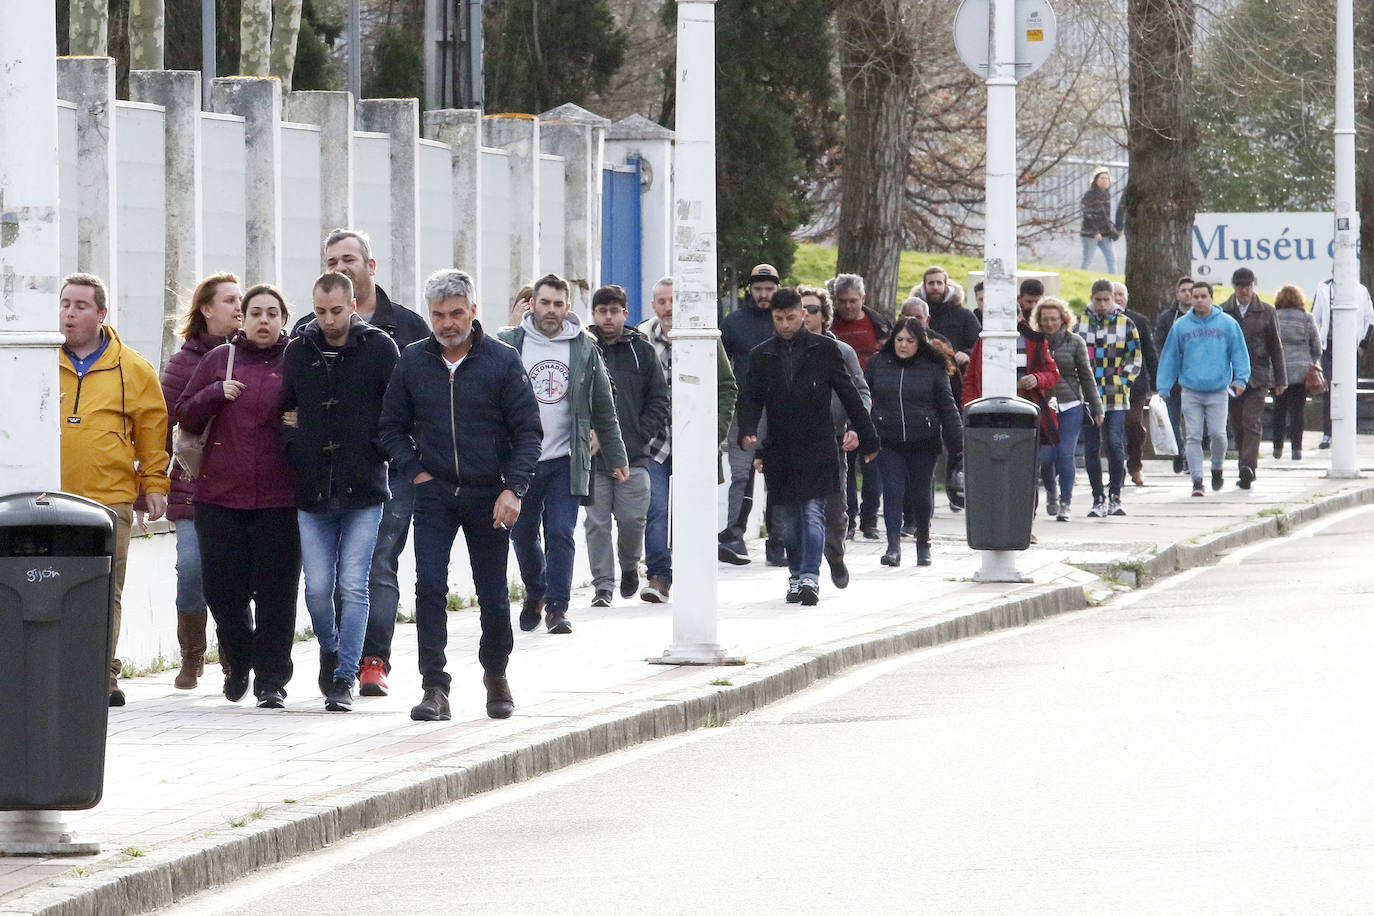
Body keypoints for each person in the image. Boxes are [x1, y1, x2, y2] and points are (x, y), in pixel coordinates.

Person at [379, 269, 543, 721]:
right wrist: (415, 472)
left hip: (489, 493)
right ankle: (434, 687)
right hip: (434, 493)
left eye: (455, 313)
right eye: (438, 315)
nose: (447, 323)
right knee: (429, 586)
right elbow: (391, 427)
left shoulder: (502, 360)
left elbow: (528, 431)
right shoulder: (413, 360)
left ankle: (496, 674)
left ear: (473, 310)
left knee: (493, 592)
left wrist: (514, 488)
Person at [318, 228, 431, 697]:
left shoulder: (406, 327)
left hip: (393, 466)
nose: (340, 267)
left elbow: (431, 393)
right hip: (329, 470)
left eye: (349, 259)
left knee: (379, 562)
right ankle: (338, 658)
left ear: (370, 266)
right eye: (332, 261)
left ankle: (373, 662)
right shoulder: (311, 329)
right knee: (332, 571)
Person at [281, 271, 399, 712]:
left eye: (336, 311)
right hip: (312, 486)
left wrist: (377, 448)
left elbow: (396, 410)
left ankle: (345, 675)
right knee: (316, 588)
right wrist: (296, 444)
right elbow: (284, 408)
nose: (328, 320)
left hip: (363, 485)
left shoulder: (379, 348)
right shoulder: (298, 349)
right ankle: (331, 649)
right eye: (319, 311)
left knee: (353, 583)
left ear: (352, 306)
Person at [178, 284, 299, 708]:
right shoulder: (219, 359)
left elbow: (324, 411)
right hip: (219, 497)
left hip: (281, 499)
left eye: (272, 313)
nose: (264, 320)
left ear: (284, 319)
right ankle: (240, 658)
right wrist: (215, 393)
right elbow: (185, 415)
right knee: (222, 591)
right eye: (255, 313)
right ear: (242, 319)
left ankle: (271, 679)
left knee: (277, 594)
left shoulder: (297, 360)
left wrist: (303, 417)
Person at [58, 273, 171, 707]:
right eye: (65, 304)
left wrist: (155, 486)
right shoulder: (39, 360)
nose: (69, 313)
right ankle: (55, 671)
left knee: (105, 591)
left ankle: (102, 675)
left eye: (80, 305)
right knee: (53, 587)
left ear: (101, 314)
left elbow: (152, 434)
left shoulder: (134, 369)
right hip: (50, 499)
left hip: (109, 499)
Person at [498, 273, 628, 635]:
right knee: (523, 534)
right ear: (533, 304)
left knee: (560, 532)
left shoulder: (584, 348)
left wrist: (616, 455)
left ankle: (557, 607)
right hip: (521, 461)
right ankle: (535, 592)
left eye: (558, 304)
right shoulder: (510, 343)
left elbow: (603, 405)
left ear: (567, 307)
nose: (551, 310)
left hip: (566, 459)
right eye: (545, 303)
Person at [737, 288, 878, 605]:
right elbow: (751, 398)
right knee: (787, 520)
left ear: (802, 315)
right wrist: (748, 432)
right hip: (780, 448)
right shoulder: (762, 355)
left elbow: (850, 392)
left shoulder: (825, 350)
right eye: (778, 319)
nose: (785, 325)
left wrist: (866, 434)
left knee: (814, 512)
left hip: (819, 445)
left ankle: (810, 576)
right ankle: (796, 576)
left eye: (790, 317)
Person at [161, 272, 242, 690]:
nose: (239, 308)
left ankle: (233, 656)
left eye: (241, 300)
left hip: (240, 487)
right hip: (191, 485)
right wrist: (150, 487)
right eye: (229, 300)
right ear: (206, 309)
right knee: (191, 567)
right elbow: (164, 425)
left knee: (233, 574)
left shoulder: (253, 356)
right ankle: (192, 655)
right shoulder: (184, 363)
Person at [637, 278, 738, 603]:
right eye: (662, 301)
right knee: (655, 509)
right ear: (653, 305)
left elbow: (727, 387)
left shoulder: (704, 337)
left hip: (694, 441)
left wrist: (713, 433)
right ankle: (659, 577)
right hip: (653, 443)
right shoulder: (641, 339)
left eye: (673, 301)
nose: (668, 308)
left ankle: (694, 576)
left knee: (693, 512)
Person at [584, 284, 670, 607]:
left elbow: (659, 399)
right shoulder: (583, 348)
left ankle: (630, 565)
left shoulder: (642, 351)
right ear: (594, 314)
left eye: (614, 311)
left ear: (625, 313)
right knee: (596, 523)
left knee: (633, 519)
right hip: (593, 457)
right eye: (602, 311)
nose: (608, 317)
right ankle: (603, 586)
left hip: (634, 455)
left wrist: (638, 434)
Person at [864, 318, 962, 567]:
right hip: (888, 438)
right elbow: (863, 397)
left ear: (920, 342)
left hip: (923, 439)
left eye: (910, 340)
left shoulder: (933, 366)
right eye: (899, 340)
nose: (903, 345)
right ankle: (893, 546)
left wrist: (957, 443)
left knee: (920, 493)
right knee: (893, 491)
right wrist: (862, 431)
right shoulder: (878, 363)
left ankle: (923, 541)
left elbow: (947, 406)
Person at [799, 284, 869, 588]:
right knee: (798, 513)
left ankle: (835, 553)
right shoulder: (783, 351)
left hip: (832, 441)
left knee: (834, 511)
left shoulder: (842, 352)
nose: (806, 315)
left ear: (824, 314)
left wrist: (855, 427)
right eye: (800, 309)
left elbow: (861, 393)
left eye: (812, 309)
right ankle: (804, 575)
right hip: (794, 442)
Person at [1155, 281, 1251, 497]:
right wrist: (1164, 385)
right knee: (1193, 435)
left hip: (1218, 389)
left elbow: (1239, 352)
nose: (1198, 300)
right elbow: (1170, 357)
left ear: (1211, 298)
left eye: (1203, 296)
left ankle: (1217, 466)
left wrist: (1241, 379)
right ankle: (1197, 480)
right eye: (1195, 296)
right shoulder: (1181, 326)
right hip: (1191, 389)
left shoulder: (1227, 324)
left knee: (1218, 434)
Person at [718, 264, 780, 564]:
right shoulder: (734, 323)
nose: (763, 295)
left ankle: (778, 538)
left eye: (769, 289)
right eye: (758, 289)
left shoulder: (784, 321)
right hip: (743, 409)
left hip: (779, 407)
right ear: (749, 290)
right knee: (741, 473)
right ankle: (734, 533)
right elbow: (721, 364)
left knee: (778, 472)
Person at [830, 273, 891, 540]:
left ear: (863, 298)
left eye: (853, 301)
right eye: (842, 301)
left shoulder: (878, 325)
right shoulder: (831, 326)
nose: (848, 306)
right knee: (845, 464)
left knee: (872, 463)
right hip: (841, 403)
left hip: (872, 401)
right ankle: (849, 518)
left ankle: (870, 519)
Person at [1076, 279, 1141, 517]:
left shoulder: (1126, 324)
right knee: (1092, 446)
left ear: (1113, 299)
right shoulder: (1080, 324)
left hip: (1115, 393)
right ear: (1091, 299)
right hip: (1088, 393)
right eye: (1098, 300)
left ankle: (1116, 494)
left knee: (1114, 442)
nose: (1103, 304)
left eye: (1107, 300)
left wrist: (1123, 381)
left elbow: (1135, 357)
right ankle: (1097, 496)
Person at [1219, 267, 1286, 490]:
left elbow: (1276, 347)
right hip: (1232, 377)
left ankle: (1248, 467)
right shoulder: (1224, 311)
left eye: (1248, 286)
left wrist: (1280, 378)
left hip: (1258, 375)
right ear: (1234, 287)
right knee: (1237, 422)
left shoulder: (1266, 311)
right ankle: (1243, 462)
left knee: (1252, 421)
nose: (1244, 290)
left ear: (1253, 286)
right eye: (1240, 286)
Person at [1036, 298, 1102, 522]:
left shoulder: (1075, 342)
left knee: (1065, 454)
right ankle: (1051, 491)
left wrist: (1096, 407)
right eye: (1045, 319)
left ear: (1063, 319)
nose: (1049, 323)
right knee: (1046, 457)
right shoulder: (1035, 342)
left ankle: (1066, 502)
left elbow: (1086, 376)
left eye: (1054, 319)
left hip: (1071, 404)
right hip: (1045, 407)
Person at [1310, 272, 1374, 448]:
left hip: (1350, 346)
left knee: (1349, 388)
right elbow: (1314, 318)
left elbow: (1370, 319)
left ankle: (1348, 430)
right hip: (1329, 345)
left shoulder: (1361, 291)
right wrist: (1316, 344)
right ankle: (1327, 433)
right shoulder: (1323, 288)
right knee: (1329, 387)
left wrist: (1363, 345)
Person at [1112, 282, 1159, 486]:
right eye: (1113, 294)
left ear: (1127, 297)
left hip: (1135, 385)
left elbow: (1149, 352)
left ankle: (1135, 465)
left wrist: (1155, 383)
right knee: (1114, 430)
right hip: (1109, 385)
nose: (1117, 298)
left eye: (1120, 294)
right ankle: (1117, 471)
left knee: (1132, 424)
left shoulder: (1139, 321)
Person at [1270, 284, 1321, 460]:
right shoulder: (1307, 318)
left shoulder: (1273, 316)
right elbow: (1317, 346)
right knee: (1297, 410)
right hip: (1301, 370)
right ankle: (1296, 449)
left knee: (1279, 409)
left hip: (1278, 370)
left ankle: (1277, 447)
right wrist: (1311, 360)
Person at [1155, 276, 1195, 474]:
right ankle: (1179, 452)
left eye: (1190, 290)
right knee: (1173, 418)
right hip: (1173, 377)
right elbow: (1160, 346)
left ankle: (1190, 456)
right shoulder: (1167, 318)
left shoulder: (1203, 317)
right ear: (1177, 293)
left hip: (1195, 377)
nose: (1187, 294)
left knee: (1193, 419)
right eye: (1183, 291)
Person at [918, 266, 981, 368]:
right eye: (931, 283)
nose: (935, 287)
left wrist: (967, 354)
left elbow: (979, 344)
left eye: (939, 283)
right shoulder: (915, 314)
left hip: (956, 370)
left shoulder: (964, 315)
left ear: (946, 285)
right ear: (924, 287)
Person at [1080, 166, 1122, 273]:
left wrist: (1114, 231)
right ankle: (1082, 276)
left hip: (1105, 233)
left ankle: (1114, 280)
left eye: (1107, 178)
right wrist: (1095, 232)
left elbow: (1105, 217)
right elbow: (1087, 215)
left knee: (1112, 260)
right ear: (1096, 180)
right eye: (1102, 178)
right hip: (1091, 234)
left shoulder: (1106, 195)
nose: (1105, 180)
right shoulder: (1090, 195)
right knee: (1087, 260)